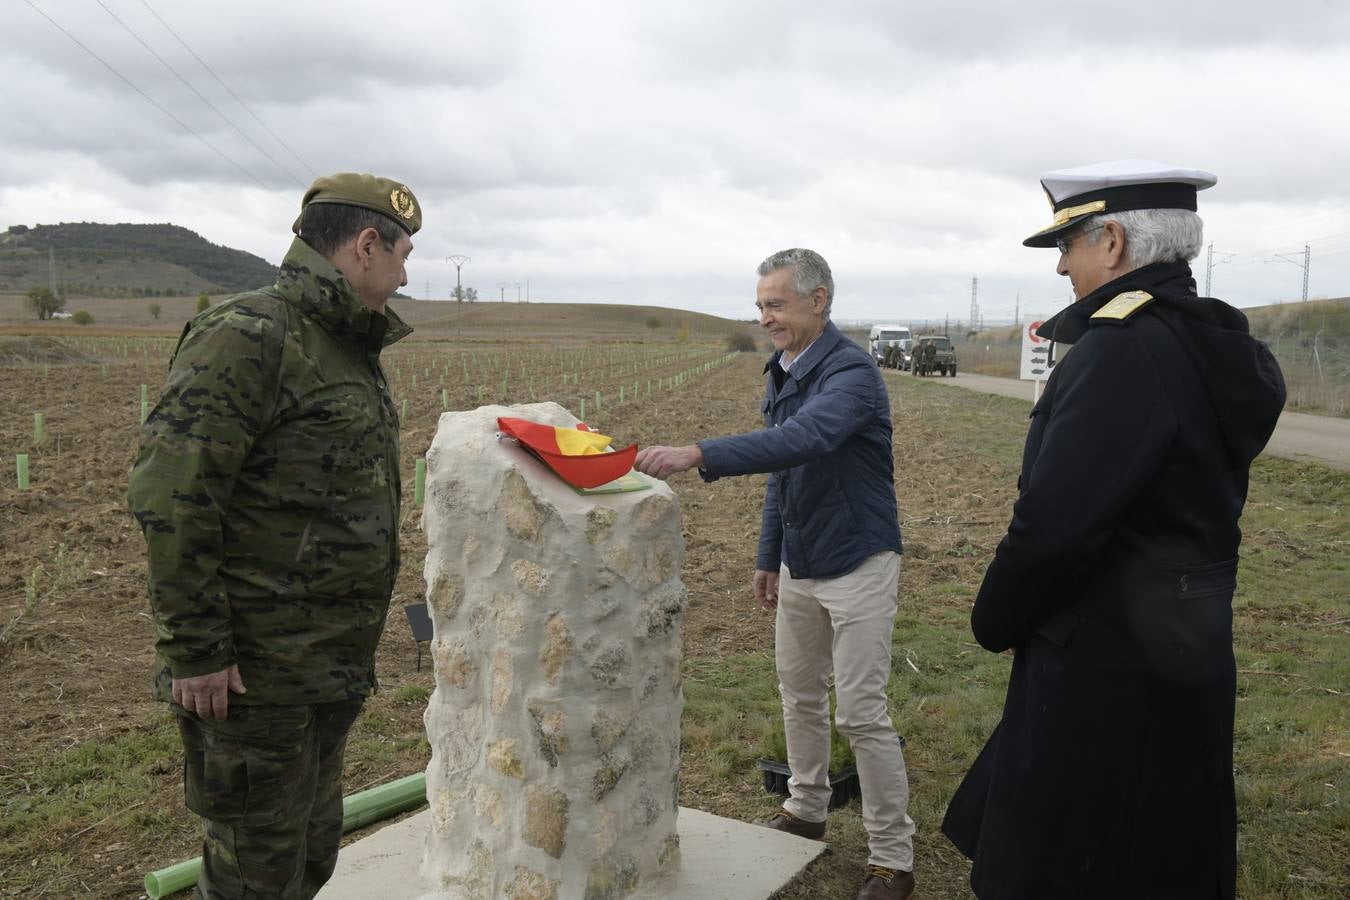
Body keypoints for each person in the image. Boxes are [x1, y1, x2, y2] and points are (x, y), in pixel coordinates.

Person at [941, 160, 1285, 899]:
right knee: (1161, 844)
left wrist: (993, 618)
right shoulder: (1211, 340)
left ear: (1116, 245)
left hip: (1101, 660)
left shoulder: (1124, 350)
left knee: (1073, 857)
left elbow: (1055, 526)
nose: (1062, 265)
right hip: (1183, 644)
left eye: (1069, 244)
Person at [128, 172, 420, 899]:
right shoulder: (250, 335)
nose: (406, 273)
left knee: (308, 855)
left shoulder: (341, 344)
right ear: (364, 245)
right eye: (402, 253)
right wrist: (196, 650)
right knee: (252, 875)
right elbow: (174, 496)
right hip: (255, 677)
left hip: (322, 669)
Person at [635, 248, 916, 900]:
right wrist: (770, 554)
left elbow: (806, 440)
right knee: (799, 694)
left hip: (859, 561)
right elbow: (786, 476)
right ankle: (807, 807)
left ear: (819, 301)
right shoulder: (784, 369)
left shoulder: (851, 375)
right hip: (801, 561)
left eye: (777, 304)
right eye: (761, 305)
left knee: (864, 713)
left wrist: (699, 452)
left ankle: (892, 859)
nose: (766, 317)